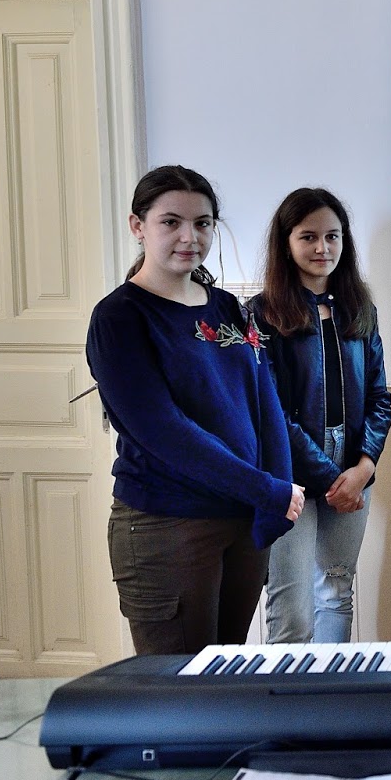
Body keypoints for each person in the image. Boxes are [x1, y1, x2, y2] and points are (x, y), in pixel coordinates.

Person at [87, 165, 303, 655]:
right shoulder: (119, 318)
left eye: (203, 223)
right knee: (180, 687)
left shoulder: (226, 307)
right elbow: (164, 432)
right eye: (171, 222)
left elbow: (264, 403)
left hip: (243, 519)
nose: (190, 237)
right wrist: (264, 489)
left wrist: (275, 496)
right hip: (168, 525)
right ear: (138, 226)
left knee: (224, 676)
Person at [248, 187, 391, 644]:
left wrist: (363, 468)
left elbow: (379, 398)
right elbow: (271, 411)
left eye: (332, 236)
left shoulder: (359, 309)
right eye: (308, 237)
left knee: (336, 592)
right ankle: (289, 693)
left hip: (352, 472)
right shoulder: (261, 315)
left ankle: (333, 686)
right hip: (289, 475)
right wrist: (333, 478)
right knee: (291, 611)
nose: (322, 248)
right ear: (286, 242)